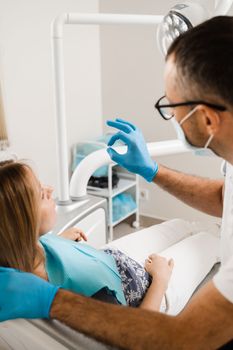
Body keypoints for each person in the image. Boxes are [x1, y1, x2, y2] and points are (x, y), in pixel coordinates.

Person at [1, 15, 233, 350]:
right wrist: (151, 169)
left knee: (210, 237)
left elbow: (184, 337)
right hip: (118, 266)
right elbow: (224, 198)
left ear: (208, 118)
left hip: (138, 283)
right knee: (191, 226)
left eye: (171, 106)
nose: (170, 116)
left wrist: (54, 301)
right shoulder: (37, 250)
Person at [0, 159, 174, 311]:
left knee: (176, 226)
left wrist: (58, 241)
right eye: (40, 194)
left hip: (115, 261)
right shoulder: (88, 294)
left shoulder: (24, 253)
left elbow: (37, 249)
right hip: (145, 290)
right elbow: (138, 333)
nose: (50, 189)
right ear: (21, 222)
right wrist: (160, 279)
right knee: (197, 237)